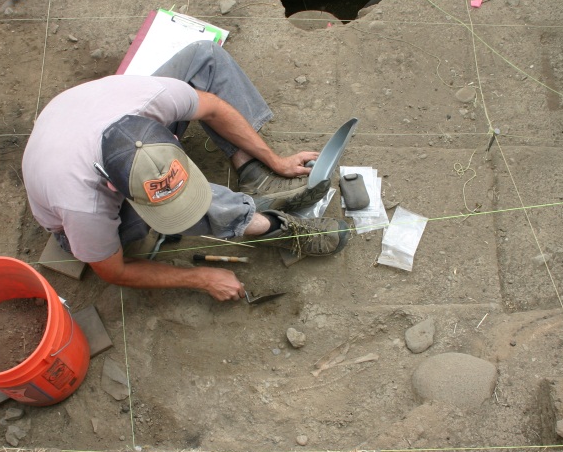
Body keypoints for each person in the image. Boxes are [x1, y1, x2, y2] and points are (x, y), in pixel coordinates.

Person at [22, 40, 350, 302]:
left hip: (89, 124)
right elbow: (115, 272)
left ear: (166, 131)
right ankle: (273, 227)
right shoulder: (84, 207)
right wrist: (202, 278)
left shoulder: (152, 98)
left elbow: (215, 107)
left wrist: (273, 160)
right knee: (177, 205)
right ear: (119, 190)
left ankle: (252, 172)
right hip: (69, 212)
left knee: (204, 56)